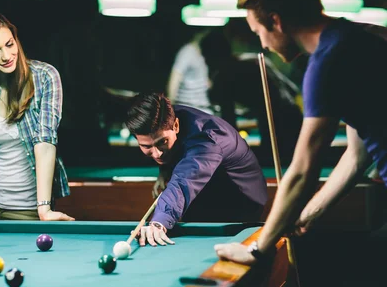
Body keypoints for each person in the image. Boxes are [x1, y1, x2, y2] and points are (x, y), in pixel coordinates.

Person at [213, 0, 387, 264]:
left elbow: (304, 170)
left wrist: (258, 248)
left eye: (259, 32)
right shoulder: (361, 38)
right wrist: (308, 212)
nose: (262, 45)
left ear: (276, 21)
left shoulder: (327, 64)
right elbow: (357, 155)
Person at [0, 12, 74, 222]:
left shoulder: (45, 77)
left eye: (10, 44)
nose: (7, 55)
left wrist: (44, 209)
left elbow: (45, 142)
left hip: (28, 209)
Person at [125, 93, 268, 247]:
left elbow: (183, 181)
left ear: (176, 126)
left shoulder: (207, 139)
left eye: (162, 142)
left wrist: (159, 222)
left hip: (240, 202)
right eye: (146, 147)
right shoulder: (162, 120)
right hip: (205, 194)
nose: (157, 153)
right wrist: (165, 170)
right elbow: (175, 151)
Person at [199, 28, 303, 166]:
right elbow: (293, 90)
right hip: (294, 116)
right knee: (286, 163)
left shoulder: (225, 75)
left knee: (277, 162)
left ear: (212, 55)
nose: (205, 61)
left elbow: (229, 122)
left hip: (278, 121)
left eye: (205, 56)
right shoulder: (254, 60)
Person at [166, 31, 214, 114]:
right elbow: (175, 77)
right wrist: (169, 110)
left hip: (202, 109)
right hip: (190, 109)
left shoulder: (201, 53)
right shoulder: (187, 52)